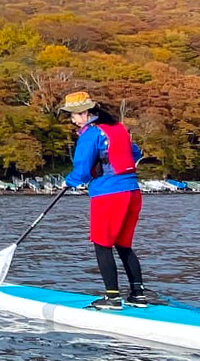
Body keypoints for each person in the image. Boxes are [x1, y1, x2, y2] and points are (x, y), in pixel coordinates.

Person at [59, 91, 156, 310]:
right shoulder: (118, 128)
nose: (72, 120)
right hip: (132, 192)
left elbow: (82, 170)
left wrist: (68, 182)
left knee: (102, 244)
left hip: (109, 194)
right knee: (123, 245)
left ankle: (112, 298)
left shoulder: (90, 134)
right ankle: (137, 294)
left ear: (85, 113)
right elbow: (135, 152)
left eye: (73, 115)